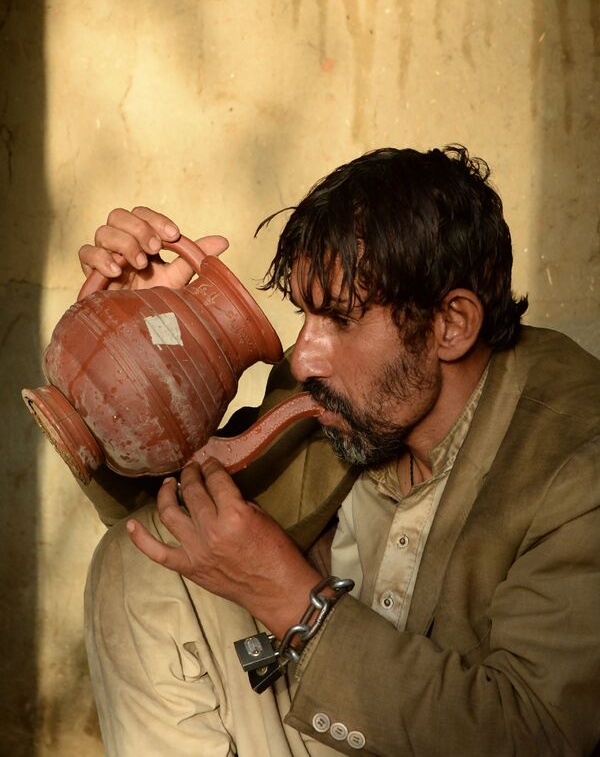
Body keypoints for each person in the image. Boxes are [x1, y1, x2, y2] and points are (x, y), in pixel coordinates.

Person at [78, 146, 600, 756]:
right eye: (304, 315)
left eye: (340, 321)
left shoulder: (577, 467)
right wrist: (133, 362)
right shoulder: (341, 395)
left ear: (450, 325)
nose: (303, 357)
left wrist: (289, 597)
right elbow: (172, 517)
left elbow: (534, 735)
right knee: (137, 565)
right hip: (327, 718)